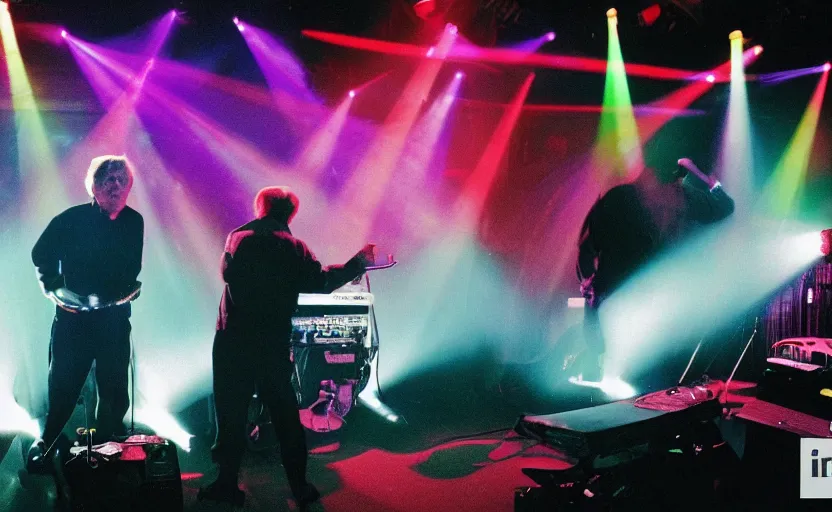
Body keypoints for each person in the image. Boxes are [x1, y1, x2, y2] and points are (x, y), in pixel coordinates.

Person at [199, 186, 376, 508]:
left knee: (231, 412)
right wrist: (356, 264)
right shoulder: (295, 247)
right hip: (271, 340)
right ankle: (299, 486)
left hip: (234, 338)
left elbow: (227, 273)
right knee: (284, 415)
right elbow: (319, 282)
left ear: (260, 207)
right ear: (290, 214)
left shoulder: (238, 237)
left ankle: (226, 485)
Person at [27, 155, 144, 470]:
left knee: (115, 387)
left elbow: (133, 268)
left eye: (121, 179)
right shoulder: (71, 218)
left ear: (129, 185)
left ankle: (109, 446)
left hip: (113, 321)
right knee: (64, 386)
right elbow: (41, 253)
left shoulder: (135, 221)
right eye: (107, 179)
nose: (115, 185)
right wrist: (55, 289)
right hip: (73, 320)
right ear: (93, 185)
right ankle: (48, 442)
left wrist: (124, 291)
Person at [575, 159, 735, 381]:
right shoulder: (683, 197)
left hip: (613, 286)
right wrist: (708, 180)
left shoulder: (618, 196)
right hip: (654, 293)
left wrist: (587, 279)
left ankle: (596, 371)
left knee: (602, 334)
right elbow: (725, 206)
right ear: (677, 176)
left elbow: (587, 244)